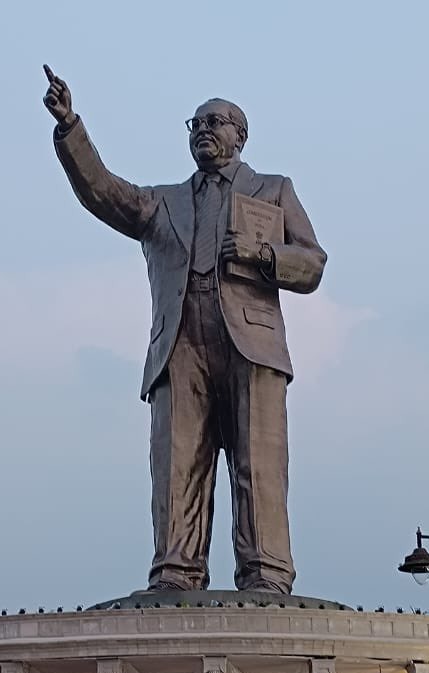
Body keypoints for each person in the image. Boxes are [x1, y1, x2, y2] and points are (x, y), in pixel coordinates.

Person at [43, 68, 328, 595]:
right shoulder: (162, 202)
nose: (204, 130)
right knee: (177, 466)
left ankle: (265, 572)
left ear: (240, 137)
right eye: (195, 123)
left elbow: (312, 263)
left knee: (257, 466)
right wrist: (70, 128)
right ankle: (176, 571)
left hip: (251, 340)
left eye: (216, 122)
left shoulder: (273, 190)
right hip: (180, 340)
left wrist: (263, 254)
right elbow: (103, 192)